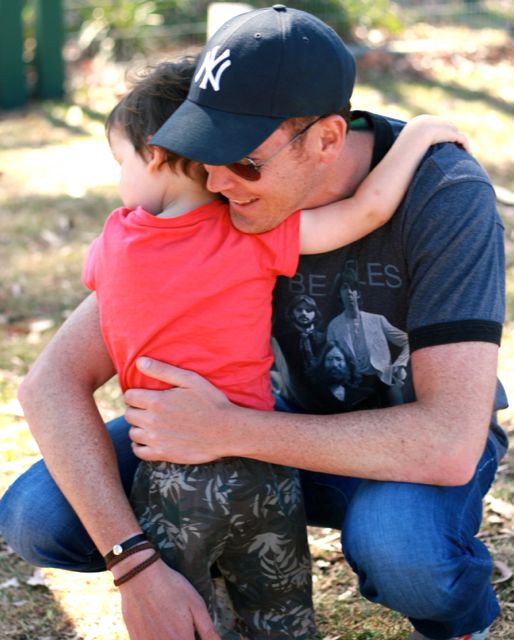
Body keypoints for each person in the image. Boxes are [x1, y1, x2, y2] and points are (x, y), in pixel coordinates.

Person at [0, 6, 506, 640]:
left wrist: (227, 429)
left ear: (327, 140)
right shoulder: (212, 198)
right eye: (202, 149)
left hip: (392, 443)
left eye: (242, 160)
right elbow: (51, 384)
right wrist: (134, 562)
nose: (214, 180)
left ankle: (461, 623)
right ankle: (219, 585)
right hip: (244, 428)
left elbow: (448, 442)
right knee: (39, 517)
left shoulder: (444, 195)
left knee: (406, 553)